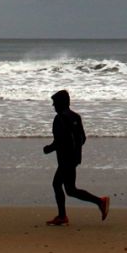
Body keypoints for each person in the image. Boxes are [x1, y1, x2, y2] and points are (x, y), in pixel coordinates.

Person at [42, 89, 109, 226]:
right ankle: (100, 202)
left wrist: (48, 149)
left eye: (54, 103)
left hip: (65, 160)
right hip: (74, 159)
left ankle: (63, 216)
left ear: (61, 103)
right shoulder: (76, 117)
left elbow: (60, 141)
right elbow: (83, 139)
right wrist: (75, 152)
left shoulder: (59, 118)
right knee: (71, 190)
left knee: (57, 185)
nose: (53, 106)